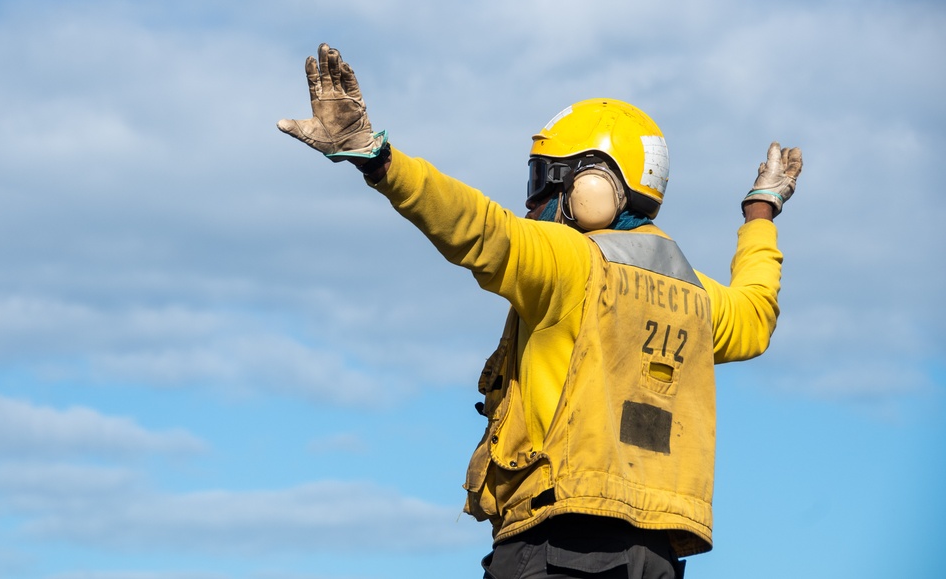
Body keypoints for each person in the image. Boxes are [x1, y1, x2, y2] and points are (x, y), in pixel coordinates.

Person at [277, 43, 803, 579]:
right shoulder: (698, 298)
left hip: (558, 544)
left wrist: (376, 157)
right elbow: (756, 311)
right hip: (656, 560)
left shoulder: (571, 262)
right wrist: (761, 211)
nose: (532, 204)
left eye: (543, 180)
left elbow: (478, 228)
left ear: (593, 186)